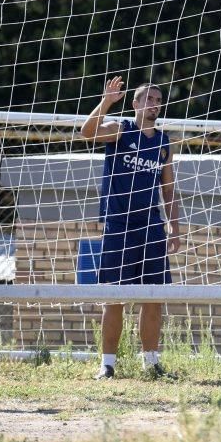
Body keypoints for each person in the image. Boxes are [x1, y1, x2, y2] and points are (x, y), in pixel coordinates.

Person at [80, 76, 181, 380]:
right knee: (115, 298)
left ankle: (151, 364)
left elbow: (169, 189)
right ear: (135, 103)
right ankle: (107, 365)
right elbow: (87, 132)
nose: (153, 104)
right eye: (148, 99)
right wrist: (107, 101)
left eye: (157, 100)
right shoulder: (121, 129)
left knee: (153, 297)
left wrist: (174, 227)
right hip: (118, 226)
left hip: (151, 228)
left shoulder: (163, 142)